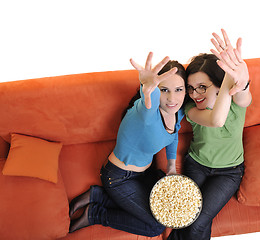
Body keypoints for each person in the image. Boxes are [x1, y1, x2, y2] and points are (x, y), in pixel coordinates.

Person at [68, 52, 187, 237]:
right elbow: (148, 100)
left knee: (167, 211)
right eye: (164, 90)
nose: (172, 99)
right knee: (155, 227)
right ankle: (96, 213)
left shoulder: (177, 112)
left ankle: (98, 197)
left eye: (179, 89)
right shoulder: (145, 112)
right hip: (118, 178)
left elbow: (173, 135)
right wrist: (147, 88)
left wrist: (171, 167)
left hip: (144, 174)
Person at [167, 29, 252, 240]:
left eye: (202, 87)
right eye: (190, 88)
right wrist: (227, 81)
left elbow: (242, 94)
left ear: (220, 83)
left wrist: (241, 79)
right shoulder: (191, 109)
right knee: (185, 217)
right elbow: (216, 120)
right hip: (197, 164)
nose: (194, 94)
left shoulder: (237, 103)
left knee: (197, 223)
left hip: (228, 173)